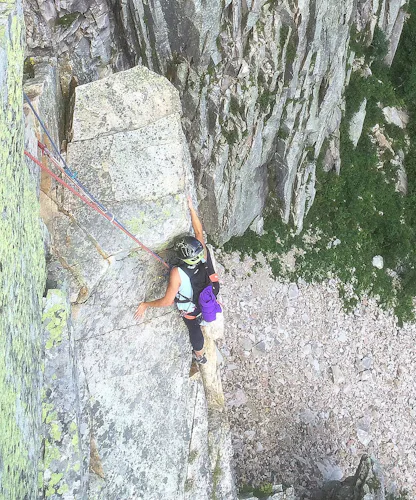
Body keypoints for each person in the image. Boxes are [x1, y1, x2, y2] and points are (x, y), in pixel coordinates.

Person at [134, 197, 219, 364]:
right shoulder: (202, 252)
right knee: (205, 290)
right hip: (212, 289)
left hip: (192, 308)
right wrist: (191, 208)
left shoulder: (177, 273)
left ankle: (200, 355)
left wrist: (146, 304)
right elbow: (199, 232)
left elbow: (167, 301)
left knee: (193, 327)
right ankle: (200, 354)